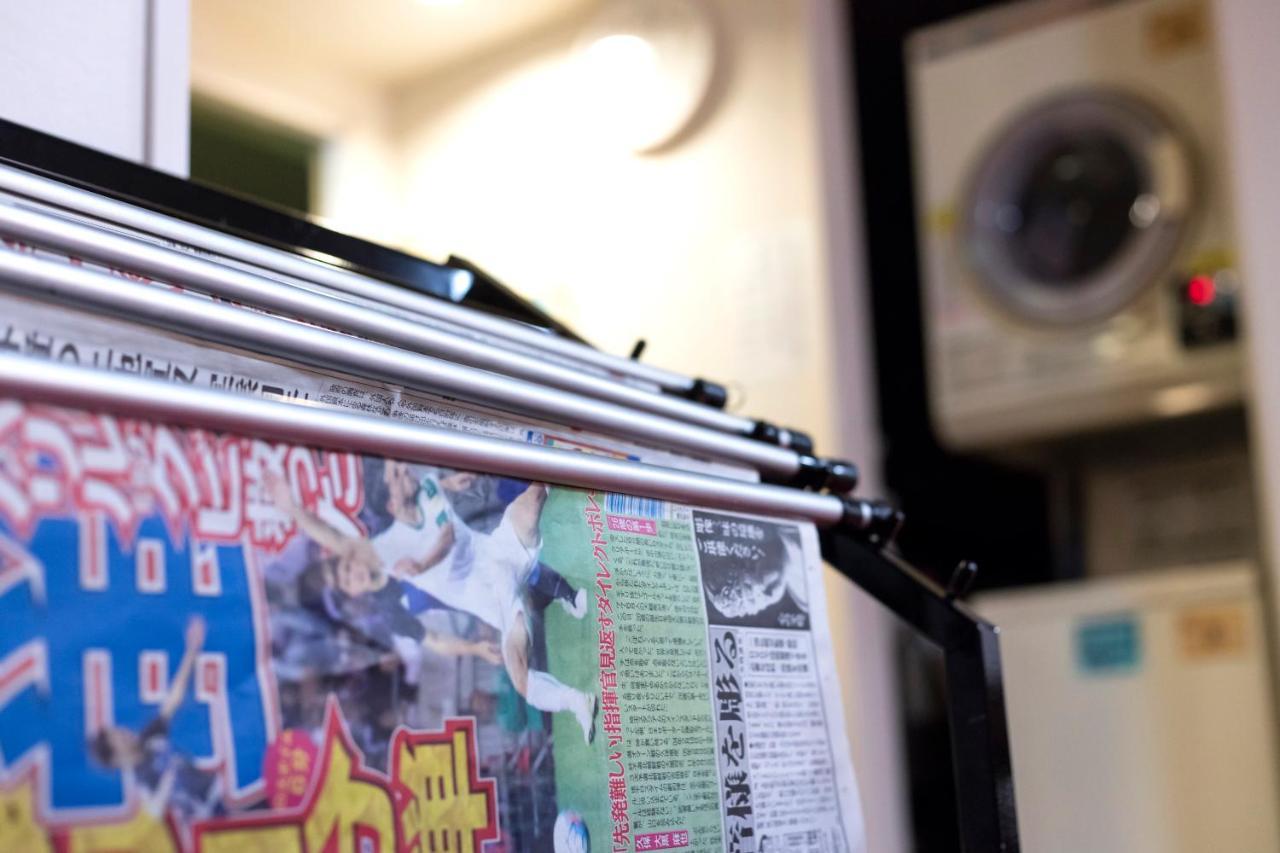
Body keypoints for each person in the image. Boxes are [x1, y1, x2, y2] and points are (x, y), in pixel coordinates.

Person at [270, 463, 598, 744]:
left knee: (533, 499)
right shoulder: (388, 551)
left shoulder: (427, 488)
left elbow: (447, 536)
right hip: (493, 599)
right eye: (395, 474)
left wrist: (425, 559)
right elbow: (339, 542)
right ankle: (576, 701)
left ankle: (572, 464)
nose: (401, 470)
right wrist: (292, 510)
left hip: (496, 553)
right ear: (392, 502)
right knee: (521, 679)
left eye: (396, 469)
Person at [88, 617, 222, 822]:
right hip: (209, 819)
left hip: (219, 791)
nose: (126, 732)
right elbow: (154, 810)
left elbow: (173, 699)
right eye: (120, 738)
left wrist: (192, 650)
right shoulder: (141, 779)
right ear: (116, 759)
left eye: (121, 730)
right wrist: (167, 783)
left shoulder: (149, 737)